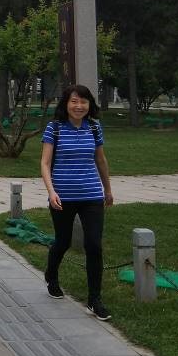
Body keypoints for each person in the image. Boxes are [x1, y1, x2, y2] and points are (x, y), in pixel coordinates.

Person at [41, 84, 115, 321]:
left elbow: (101, 160)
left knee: (94, 245)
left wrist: (107, 190)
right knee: (62, 242)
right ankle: (52, 275)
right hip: (62, 196)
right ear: (66, 104)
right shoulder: (54, 128)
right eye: (74, 101)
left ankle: (95, 299)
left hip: (91, 195)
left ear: (89, 104)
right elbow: (45, 163)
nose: (79, 106)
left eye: (83, 101)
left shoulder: (94, 127)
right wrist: (51, 192)